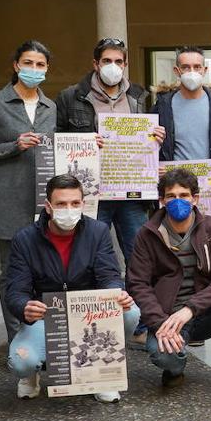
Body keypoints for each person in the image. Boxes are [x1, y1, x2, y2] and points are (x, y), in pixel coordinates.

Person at [3, 174, 139, 403]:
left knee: (130, 312)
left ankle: (100, 374)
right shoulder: (25, 239)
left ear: (83, 204)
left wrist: (116, 293)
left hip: (90, 316)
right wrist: (24, 307)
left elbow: (109, 275)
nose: (69, 209)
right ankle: (31, 375)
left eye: (75, 203)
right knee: (21, 361)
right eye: (61, 204)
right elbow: (15, 290)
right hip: (46, 317)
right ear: (48, 206)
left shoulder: (98, 231)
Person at [127, 168, 211, 397]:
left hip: (206, 311)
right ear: (161, 200)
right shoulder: (147, 234)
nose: (178, 201)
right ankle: (175, 368)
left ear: (195, 199)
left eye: (184, 195)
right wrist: (159, 322)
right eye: (171, 196)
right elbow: (138, 284)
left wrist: (190, 309)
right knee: (162, 355)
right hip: (169, 317)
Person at [0, 40, 56, 342]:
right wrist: (13, 146)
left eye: (40, 64)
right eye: (28, 63)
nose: (34, 69)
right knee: (11, 272)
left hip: (44, 201)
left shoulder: (51, 107)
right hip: (8, 199)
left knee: (46, 270)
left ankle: (42, 337)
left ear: (47, 69)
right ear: (16, 65)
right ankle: (16, 339)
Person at [55, 38, 164, 283]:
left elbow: (145, 141)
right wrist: (84, 142)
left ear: (125, 64)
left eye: (118, 61)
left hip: (131, 193)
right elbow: (57, 139)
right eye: (106, 61)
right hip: (93, 191)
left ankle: (140, 305)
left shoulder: (138, 95)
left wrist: (156, 137)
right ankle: (97, 301)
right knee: (90, 253)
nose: (112, 66)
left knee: (139, 254)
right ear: (96, 64)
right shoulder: (71, 96)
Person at [152, 47, 211, 277]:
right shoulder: (162, 106)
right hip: (177, 192)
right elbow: (149, 146)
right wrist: (155, 159)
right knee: (177, 253)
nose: (191, 72)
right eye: (186, 67)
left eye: (197, 67)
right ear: (176, 71)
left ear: (205, 70)